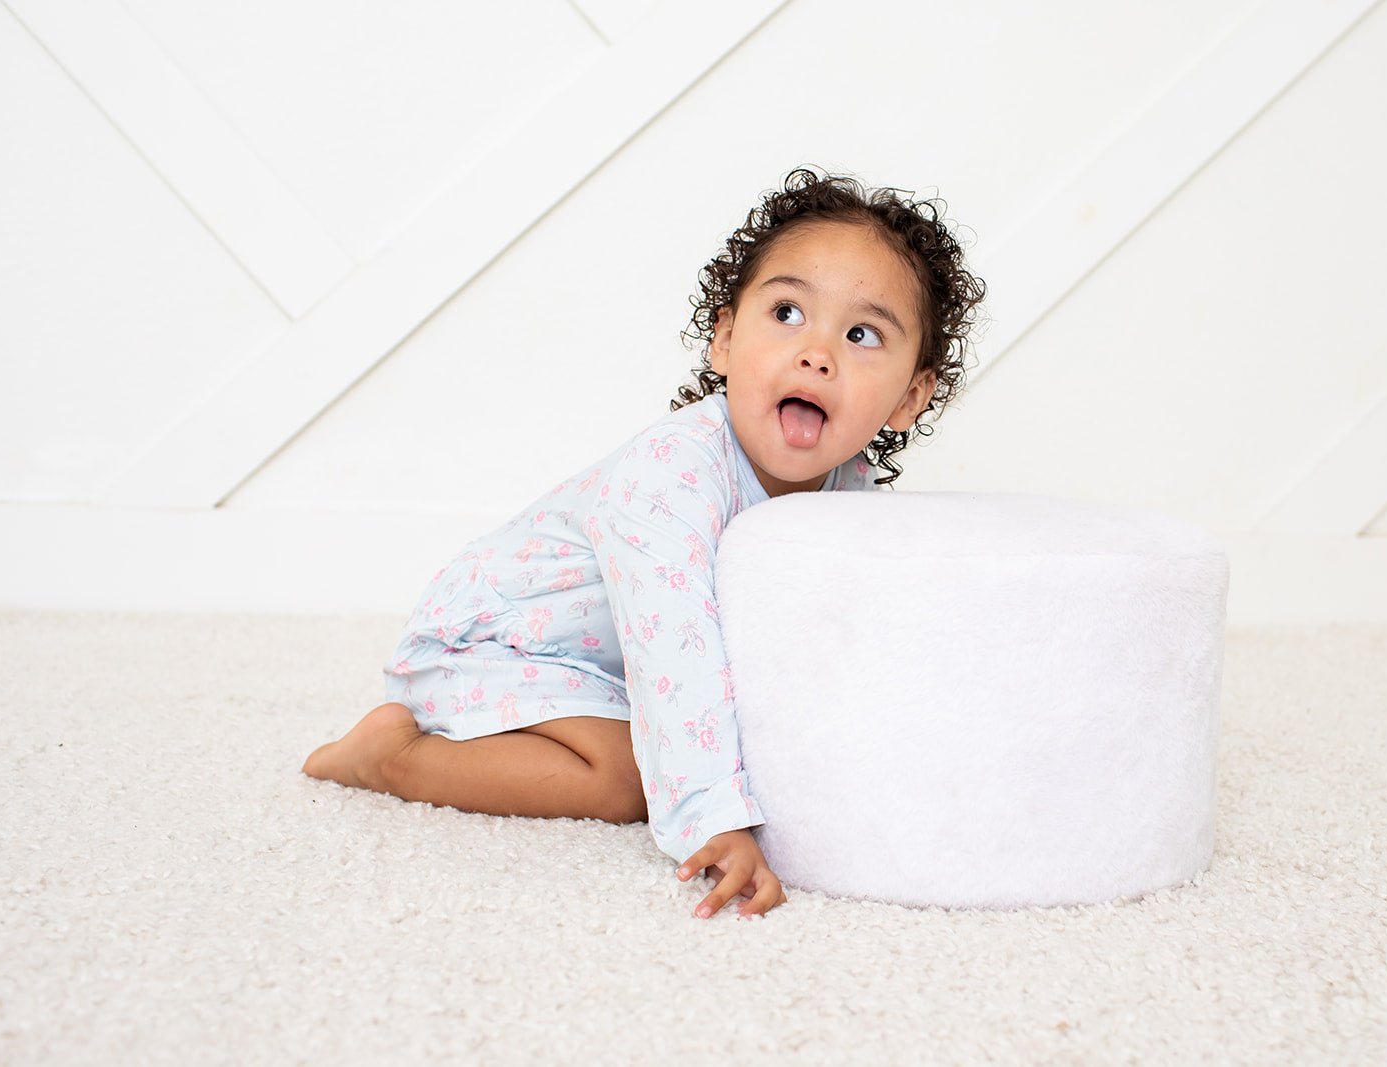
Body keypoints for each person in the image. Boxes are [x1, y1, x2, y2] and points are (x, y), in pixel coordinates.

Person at [303, 165, 986, 919]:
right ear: (725, 339)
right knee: (627, 780)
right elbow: (676, 652)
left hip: (603, 670)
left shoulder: (848, 490)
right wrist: (715, 816)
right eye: (787, 312)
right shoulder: (670, 476)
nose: (816, 352)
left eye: (861, 335)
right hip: (497, 643)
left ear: (909, 397)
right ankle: (393, 756)